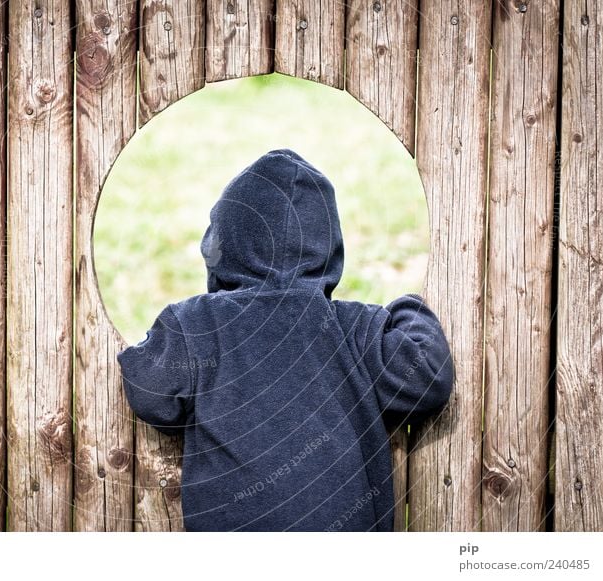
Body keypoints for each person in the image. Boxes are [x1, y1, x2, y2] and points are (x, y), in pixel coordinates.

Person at [117, 149, 454, 531]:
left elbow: (151, 390)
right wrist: (406, 308)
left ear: (225, 243)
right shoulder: (354, 328)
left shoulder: (198, 325)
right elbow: (427, 374)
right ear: (328, 246)